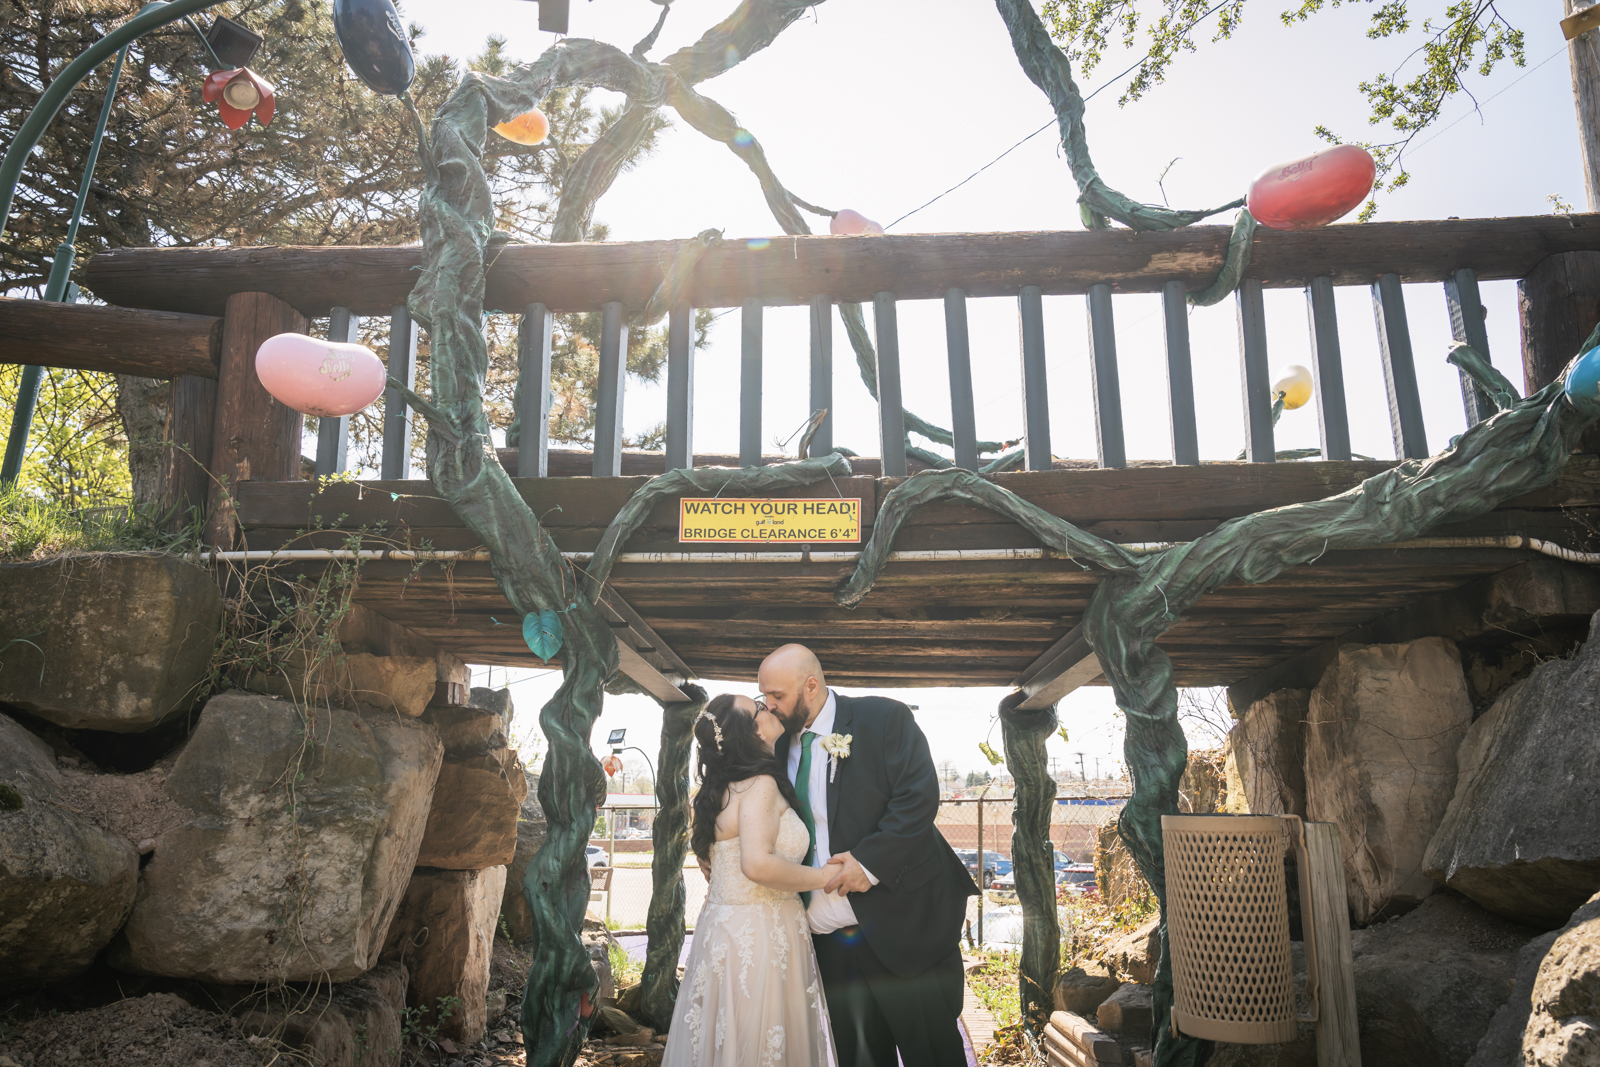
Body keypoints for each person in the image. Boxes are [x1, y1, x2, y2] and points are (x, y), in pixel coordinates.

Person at [758, 643, 978, 1067]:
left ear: (811, 686)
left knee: (931, 1054)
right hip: (828, 940)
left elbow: (917, 798)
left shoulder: (884, 719)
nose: (769, 706)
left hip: (904, 925)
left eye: (777, 696)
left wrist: (868, 864)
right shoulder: (774, 742)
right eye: (764, 695)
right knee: (858, 1058)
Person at [662, 692, 843, 1067]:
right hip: (761, 934)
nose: (768, 707)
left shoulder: (722, 790)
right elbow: (757, 865)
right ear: (752, 733)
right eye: (759, 707)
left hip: (724, 932)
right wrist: (824, 876)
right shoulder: (759, 783)